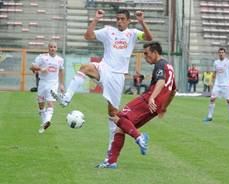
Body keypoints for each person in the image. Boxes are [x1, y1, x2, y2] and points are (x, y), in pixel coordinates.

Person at [51, 9, 153, 157]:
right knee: (85, 67)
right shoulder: (108, 31)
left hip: (117, 77)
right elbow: (88, 36)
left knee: (113, 115)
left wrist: (142, 21)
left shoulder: (132, 33)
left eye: (122, 19)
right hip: (103, 68)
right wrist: (96, 19)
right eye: (117, 19)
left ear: (128, 20)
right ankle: (66, 99)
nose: (119, 21)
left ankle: (111, 152)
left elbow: (149, 38)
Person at [96, 42, 176, 168]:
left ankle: (139, 137)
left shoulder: (160, 64)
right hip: (157, 107)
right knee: (122, 127)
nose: (145, 57)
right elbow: (173, 91)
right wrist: (164, 108)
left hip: (149, 100)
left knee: (117, 117)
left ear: (155, 53)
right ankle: (112, 162)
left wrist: (152, 98)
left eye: (147, 54)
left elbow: (160, 82)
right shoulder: (169, 67)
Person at [30, 41, 64, 133]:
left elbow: (61, 71)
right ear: (48, 48)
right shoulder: (42, 57)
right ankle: (44, 123)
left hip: (53, 84)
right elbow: (32, 66)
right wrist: (41, 69)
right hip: (42, 83)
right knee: (41, 105)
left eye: (54, 47)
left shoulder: (60, 60)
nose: (53, 48)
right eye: (51, 47)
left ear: (57, 48)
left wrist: (61, 84)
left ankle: (48, 120)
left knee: (50, 103)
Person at [203, 48, 229, 124]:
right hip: (217, 85)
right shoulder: (216, 62)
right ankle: (209, 117)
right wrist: (212, 81)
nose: (221, 54)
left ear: (225, 53)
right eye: (219, 52)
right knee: (212, 99)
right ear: (218, 54)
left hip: (226, 85)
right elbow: (215, 72)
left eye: (222, 52)